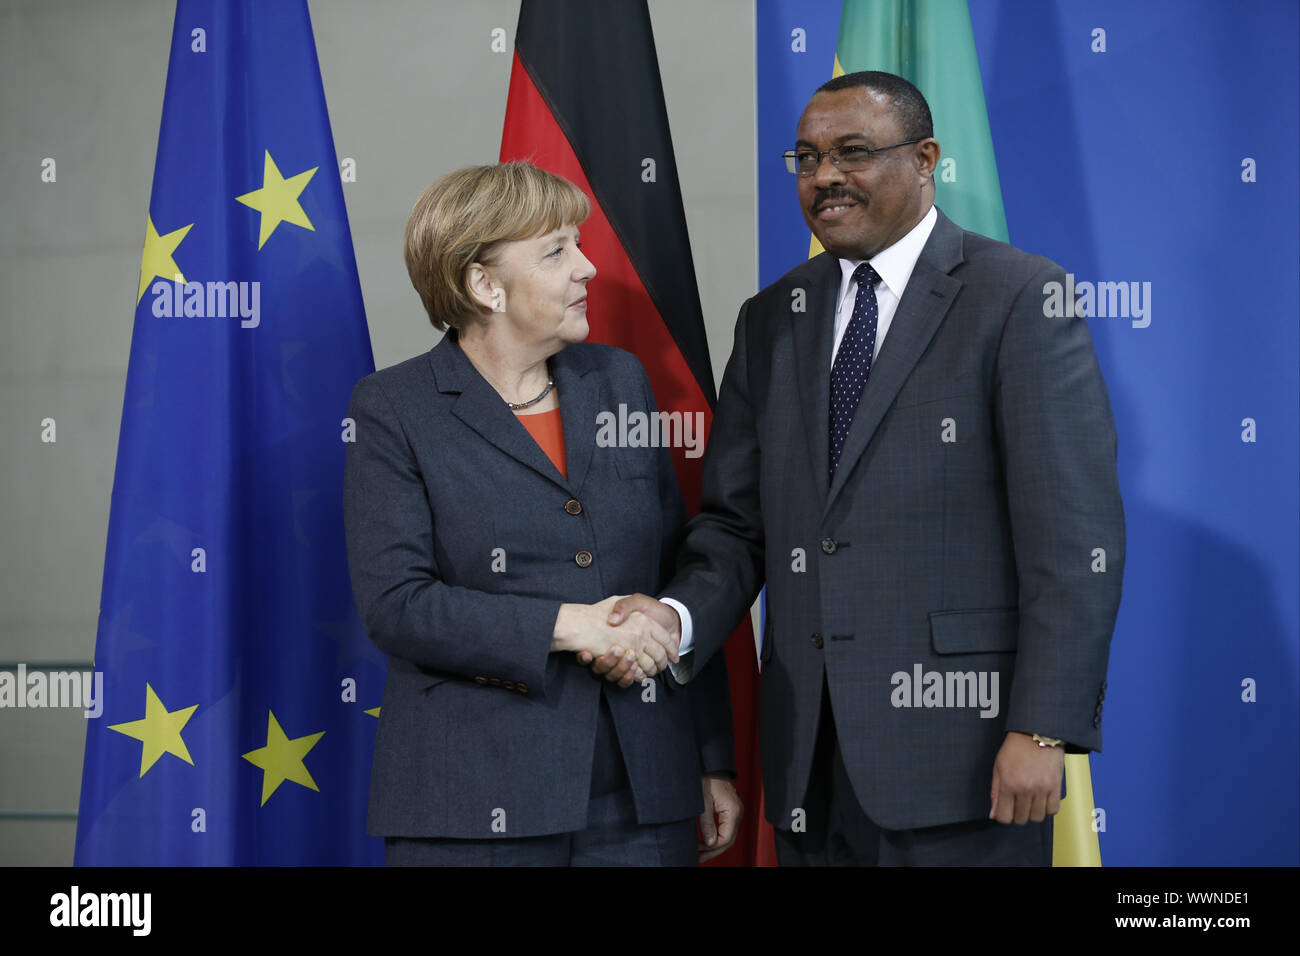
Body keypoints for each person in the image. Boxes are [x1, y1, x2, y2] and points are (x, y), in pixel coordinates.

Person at [607, 71, 1125, 865]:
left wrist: (1042, 725)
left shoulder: (1019, 297)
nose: (825, 178)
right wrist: (673, 621)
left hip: (969, 756)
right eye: (808, 159)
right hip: (808, 758)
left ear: (925, 159)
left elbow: (1072, 539)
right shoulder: (773, 317)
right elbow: (737, 527)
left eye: (853, 153)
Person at [344, 162, 740, 866]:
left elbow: (675, 570)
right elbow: (398, 605)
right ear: (484, 284)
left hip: (643, 797)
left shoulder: (619, 380)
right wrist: (571, 625)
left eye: (577, 244)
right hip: (471, 800)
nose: (588, 268)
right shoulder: (393, 410)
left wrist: (709, 759)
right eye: (557, 251)